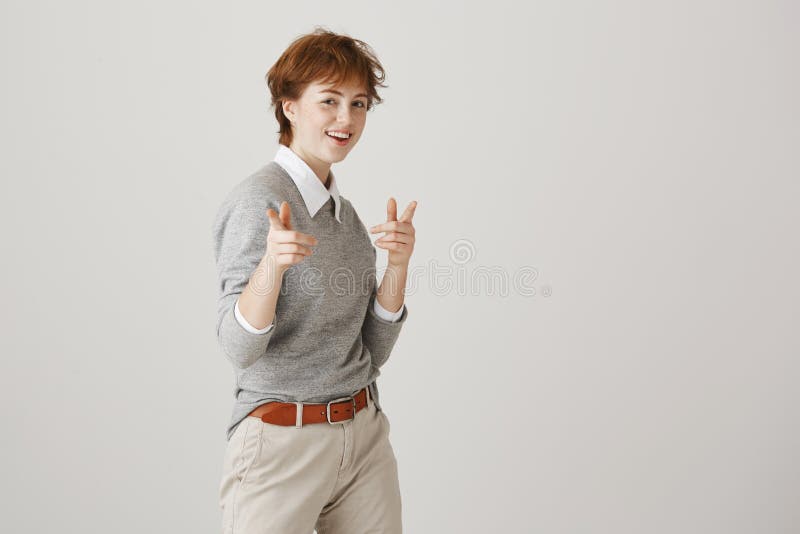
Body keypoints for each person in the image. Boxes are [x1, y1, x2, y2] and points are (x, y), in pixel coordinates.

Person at [212, 27, 417, 534]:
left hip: (363, 437)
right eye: (329, 100)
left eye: (359, 103)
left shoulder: (344, 217)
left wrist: (398, 264)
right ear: (289, 107)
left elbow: (371, 348)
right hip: (283, 444)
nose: (346, 119)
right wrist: (271, 269)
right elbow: (238, 348)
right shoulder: (257, 201)